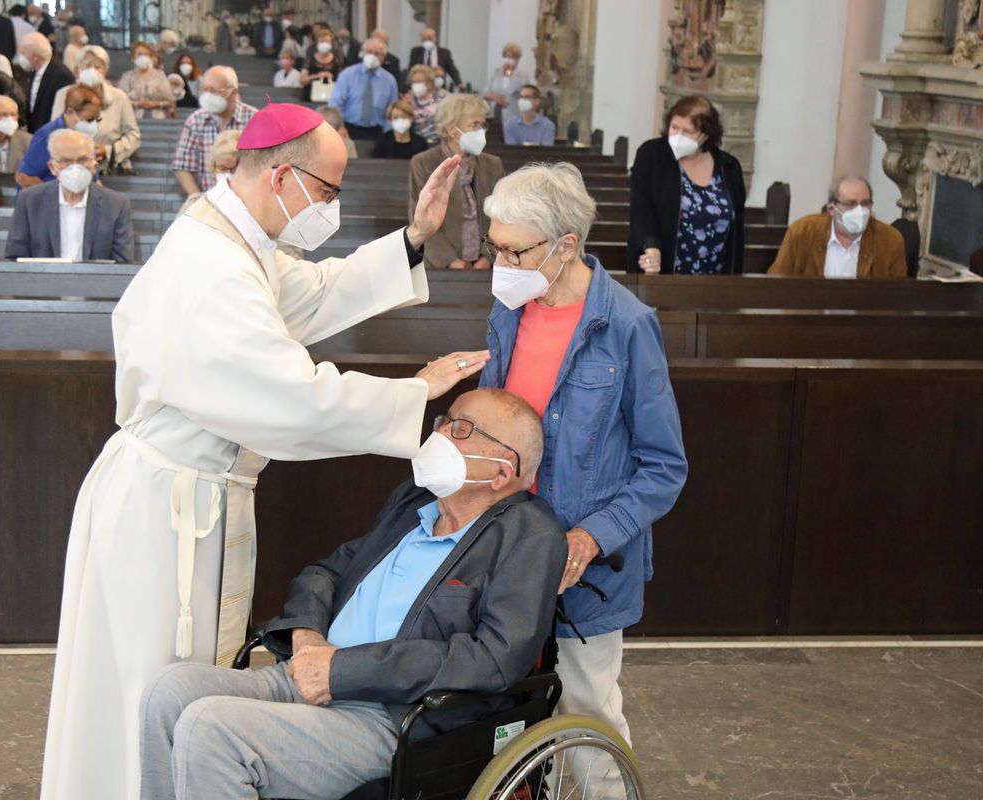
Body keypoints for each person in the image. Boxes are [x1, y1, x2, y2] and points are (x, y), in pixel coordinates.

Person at [38, 100, 477, 800]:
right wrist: (413, 395)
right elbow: (290, 398)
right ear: (282, 176)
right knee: (145, 689)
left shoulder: (240, 244)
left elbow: (314, 293)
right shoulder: (211, 266)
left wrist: (414, 237)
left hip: (189, 497)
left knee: (171, 687)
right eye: (328, 191)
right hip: (163, 513)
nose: (330, 208)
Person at [140, 388, 566, 800]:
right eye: (443, 421)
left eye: (460, 428)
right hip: (310, 673)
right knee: (170, 691)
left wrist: (343, 671)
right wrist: (307, 633)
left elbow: (493, 657)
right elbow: (325, 572)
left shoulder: (529, 535)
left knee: (211, 728)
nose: (437, 434)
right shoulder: (413, 504)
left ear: (502, 470)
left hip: (394, 717)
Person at [478, 163, 687, 778]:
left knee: (587, 715)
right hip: (508, 548)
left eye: (516, 250)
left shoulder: (625, 326)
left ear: (566, 245)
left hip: (585, 565)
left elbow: (664, 466)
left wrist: (590, 535)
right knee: (509, 717)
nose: (503, 264)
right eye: (497, 248)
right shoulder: (510, 309)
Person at [628, 95, 746, 275]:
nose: (678, 136)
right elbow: (641, 208)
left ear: (706, 134)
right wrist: (651, 247)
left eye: (687, 131)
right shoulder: (652, 155)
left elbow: (737, 225)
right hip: (666, 273)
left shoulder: (728, 167)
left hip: (717, 279)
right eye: (674, 128)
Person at [5, 128, 133, 262]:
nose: (75, 168)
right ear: (52, 167)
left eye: (82, 160)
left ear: (94, 164)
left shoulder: (116, 205)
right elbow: (15, 258)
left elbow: (122, 264)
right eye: (66, 161)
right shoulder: (29, 200)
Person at [409, 93, 502, 270]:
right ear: (452, 129)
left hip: (486, 265)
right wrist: (452, 261)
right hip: (440, 265)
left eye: (482, 125)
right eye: (474, 125)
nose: (481, 131)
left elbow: (501, 216)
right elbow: (419, 216)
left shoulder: (493, 164)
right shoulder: (424, 162)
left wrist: (487, 257)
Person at [768, 175, 907, 279]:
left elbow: (897, 295)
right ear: (831, 208)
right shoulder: (801, 232)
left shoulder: (890, 240)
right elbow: (776, 283)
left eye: (865, 203)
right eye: (850, 204)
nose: (859, 211)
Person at [50, 45, 140, 170]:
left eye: (98, 66)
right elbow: (55, 132)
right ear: (78, 70)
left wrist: (108, 151)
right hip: (71, 168)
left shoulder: (120, 98)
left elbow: (133, 135)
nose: (92, 70)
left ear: (105, 71)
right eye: (87, 65)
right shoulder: (63, 95)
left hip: (109, 168)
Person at [170, 65, 256, 196]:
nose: (208, 96)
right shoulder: (195, 121)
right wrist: (197, 199)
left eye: (214, 91)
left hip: (248, 201)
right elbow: (182, 166)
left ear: (233, 92)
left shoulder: (255, 120)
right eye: (205, 90)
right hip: (209, 199)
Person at [15, 83, 101, 186]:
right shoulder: (48, 136)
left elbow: (94, 180)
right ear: (70, 111)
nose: (94, 125)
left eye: (97, 120)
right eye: (89, 120)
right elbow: (24, 177)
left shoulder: (83, 137)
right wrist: (54, 198)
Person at [328, 37, 397, 140]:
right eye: (369, 51)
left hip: (377, 131)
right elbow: (335, 103)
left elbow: (393, 109)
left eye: (377, 53)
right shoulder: (347, 75)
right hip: (348, 129)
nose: (372, 56)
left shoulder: (389, 80)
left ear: (384, 57)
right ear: (362, 53)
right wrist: (339, 126)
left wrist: (388, 134)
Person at [17, 31, 74, 132]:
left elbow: (60, 112)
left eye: (23, 53)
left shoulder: (61, 75)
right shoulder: (34, 71)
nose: (20, 57)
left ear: (35, 55)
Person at [118, 40, 173, 120]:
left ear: (150, 57)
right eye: (139, 54)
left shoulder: (160, 75)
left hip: (158, 119)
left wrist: (156, 104)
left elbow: (169, 100)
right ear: (133, 58)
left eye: (146, 54)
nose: (143, 56)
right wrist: (137, 104)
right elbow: (120, 100)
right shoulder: (127, 76)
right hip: (133, 119)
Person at [484, 42, 530, 122]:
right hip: (496, 113)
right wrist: (495, 97)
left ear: (517, 58)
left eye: (512, 57)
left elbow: (519, 90)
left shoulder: (522, 75)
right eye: (506, 57)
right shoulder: (497, 72)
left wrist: (510, 74)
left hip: (513, 114)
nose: (508, 60)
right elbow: (485, 91)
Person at [299, 26, 341, 102]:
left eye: (327, 41)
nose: (324, 44)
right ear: (317, 44)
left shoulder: (337, 59)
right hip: (310, 98)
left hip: (332, 99)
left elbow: (342, 80)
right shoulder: (310, 58)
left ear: (332, 43)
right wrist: (317, 76)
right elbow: (302, 80)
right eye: (322, 41)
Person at [406, 63, 444, 145]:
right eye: (413, 82)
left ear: (429, 83)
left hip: (437, 143)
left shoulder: (439, 97)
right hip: (417, 143)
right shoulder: (410, 100)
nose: (415, 85)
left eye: (419, 82)